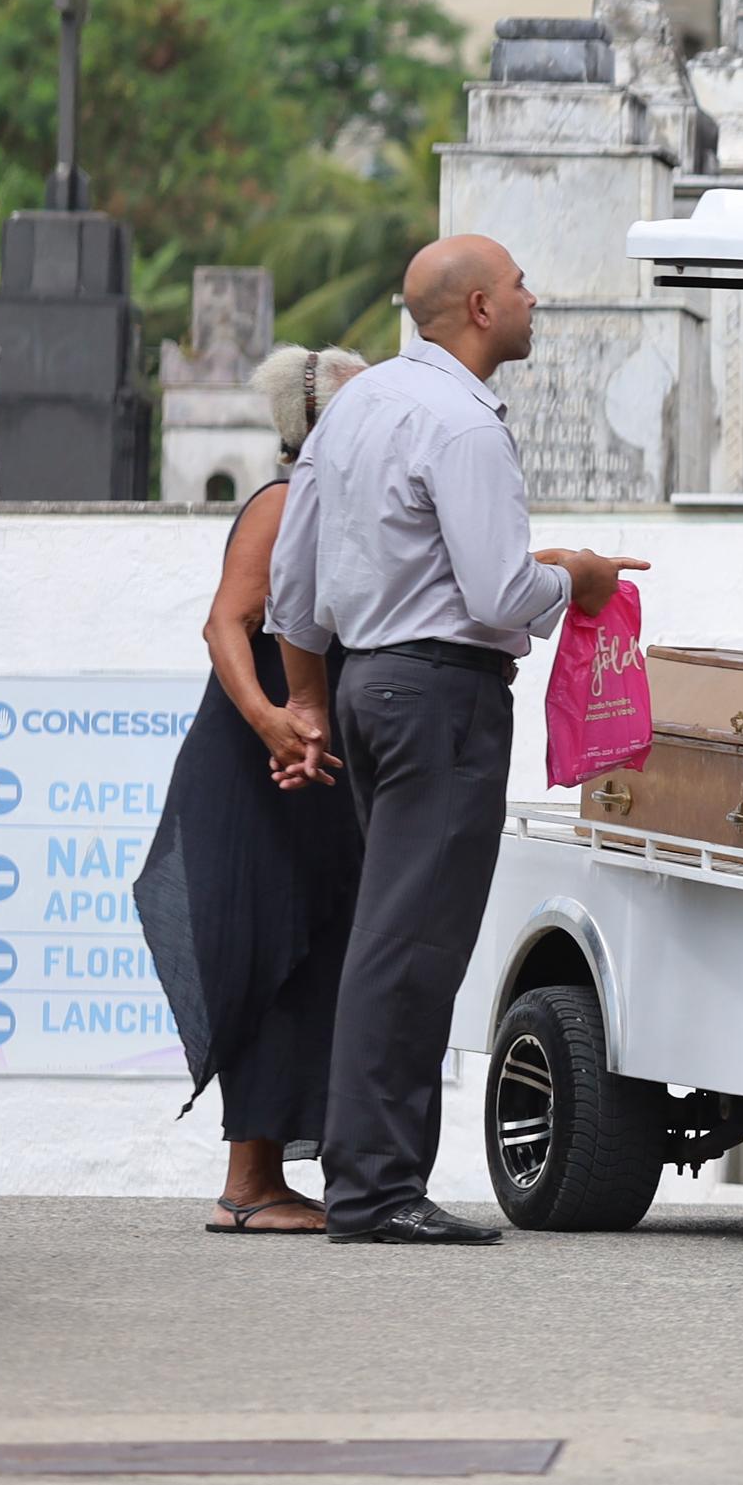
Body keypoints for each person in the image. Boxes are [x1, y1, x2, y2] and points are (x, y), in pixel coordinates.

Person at [271, 241, 642, 1246]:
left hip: (365, 683)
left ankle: (368, 1174)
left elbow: (292, 588)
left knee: (388, 935)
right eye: (521, 282)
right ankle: (377, 1187)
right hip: (440, 692)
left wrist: (309, 701)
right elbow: (500, 594)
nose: (534, 296)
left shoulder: (355, 404)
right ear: (479, 307)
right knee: (411, 943)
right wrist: (579, 577)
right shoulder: (464, 424)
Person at [141, 347, 372, 1234]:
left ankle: (270, 1173)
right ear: (315, 423)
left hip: (311, 763)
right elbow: (226, 623)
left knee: (317, 947)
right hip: (258, 763)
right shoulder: (283, 504)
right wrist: (274, 719)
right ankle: (248, 1183)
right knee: (275, 946)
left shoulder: (353, 513)